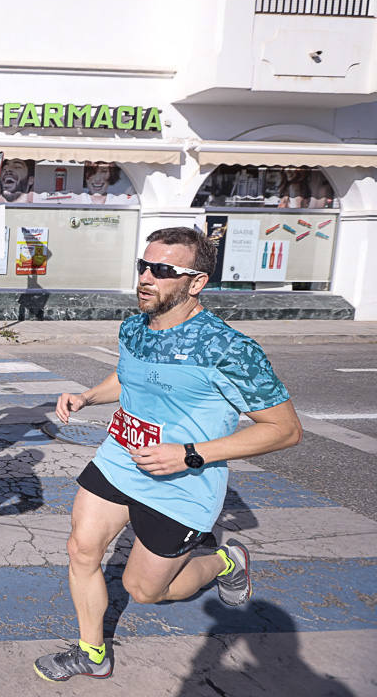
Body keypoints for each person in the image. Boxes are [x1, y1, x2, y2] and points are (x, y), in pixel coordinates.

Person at [33, 226, 303, 682]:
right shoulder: (134, 327)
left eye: (162, 270)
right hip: (120, 458)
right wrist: (88, 397)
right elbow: (129, 377)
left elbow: (285, 430)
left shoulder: (228, 348)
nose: (146, 277)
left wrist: (191, 454)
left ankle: (224, 560)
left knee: (143, 590)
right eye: (143, 266)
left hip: (183, 482)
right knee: (81, 549)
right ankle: (92, 652)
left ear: (195, 282)